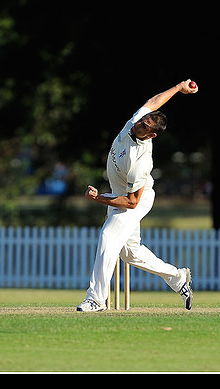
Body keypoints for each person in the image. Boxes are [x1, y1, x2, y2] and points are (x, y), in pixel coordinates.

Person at [76, 79, 198, 312]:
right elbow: (153, 102)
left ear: (151, 135)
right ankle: (177, 277)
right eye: (142, 120)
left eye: (143, 126)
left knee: (108, 238)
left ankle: (96, 299)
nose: (138, 125)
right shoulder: (135, 122)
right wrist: (179, 88)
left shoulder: (141, 161)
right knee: (131, 253)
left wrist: (98, 198)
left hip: (134, 200)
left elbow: (132, 202)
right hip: (118, 195)